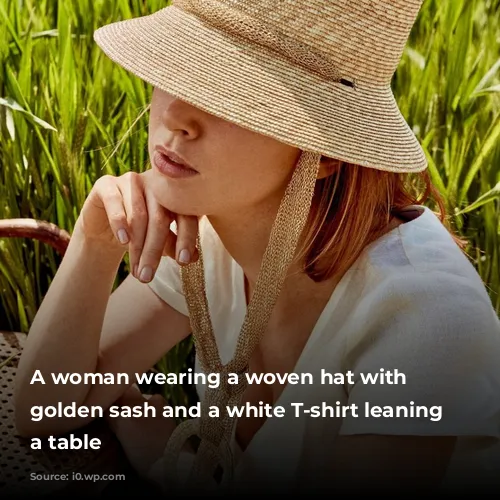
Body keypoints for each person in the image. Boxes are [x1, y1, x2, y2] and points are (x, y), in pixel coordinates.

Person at [14, 0, 500, 495]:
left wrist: (165, 457)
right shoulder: (212, 234)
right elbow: (45, 411)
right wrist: (96, 242)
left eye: (231, 94)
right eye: (175, 66)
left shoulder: (427, 316)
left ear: (328, 151)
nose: (177, 114)